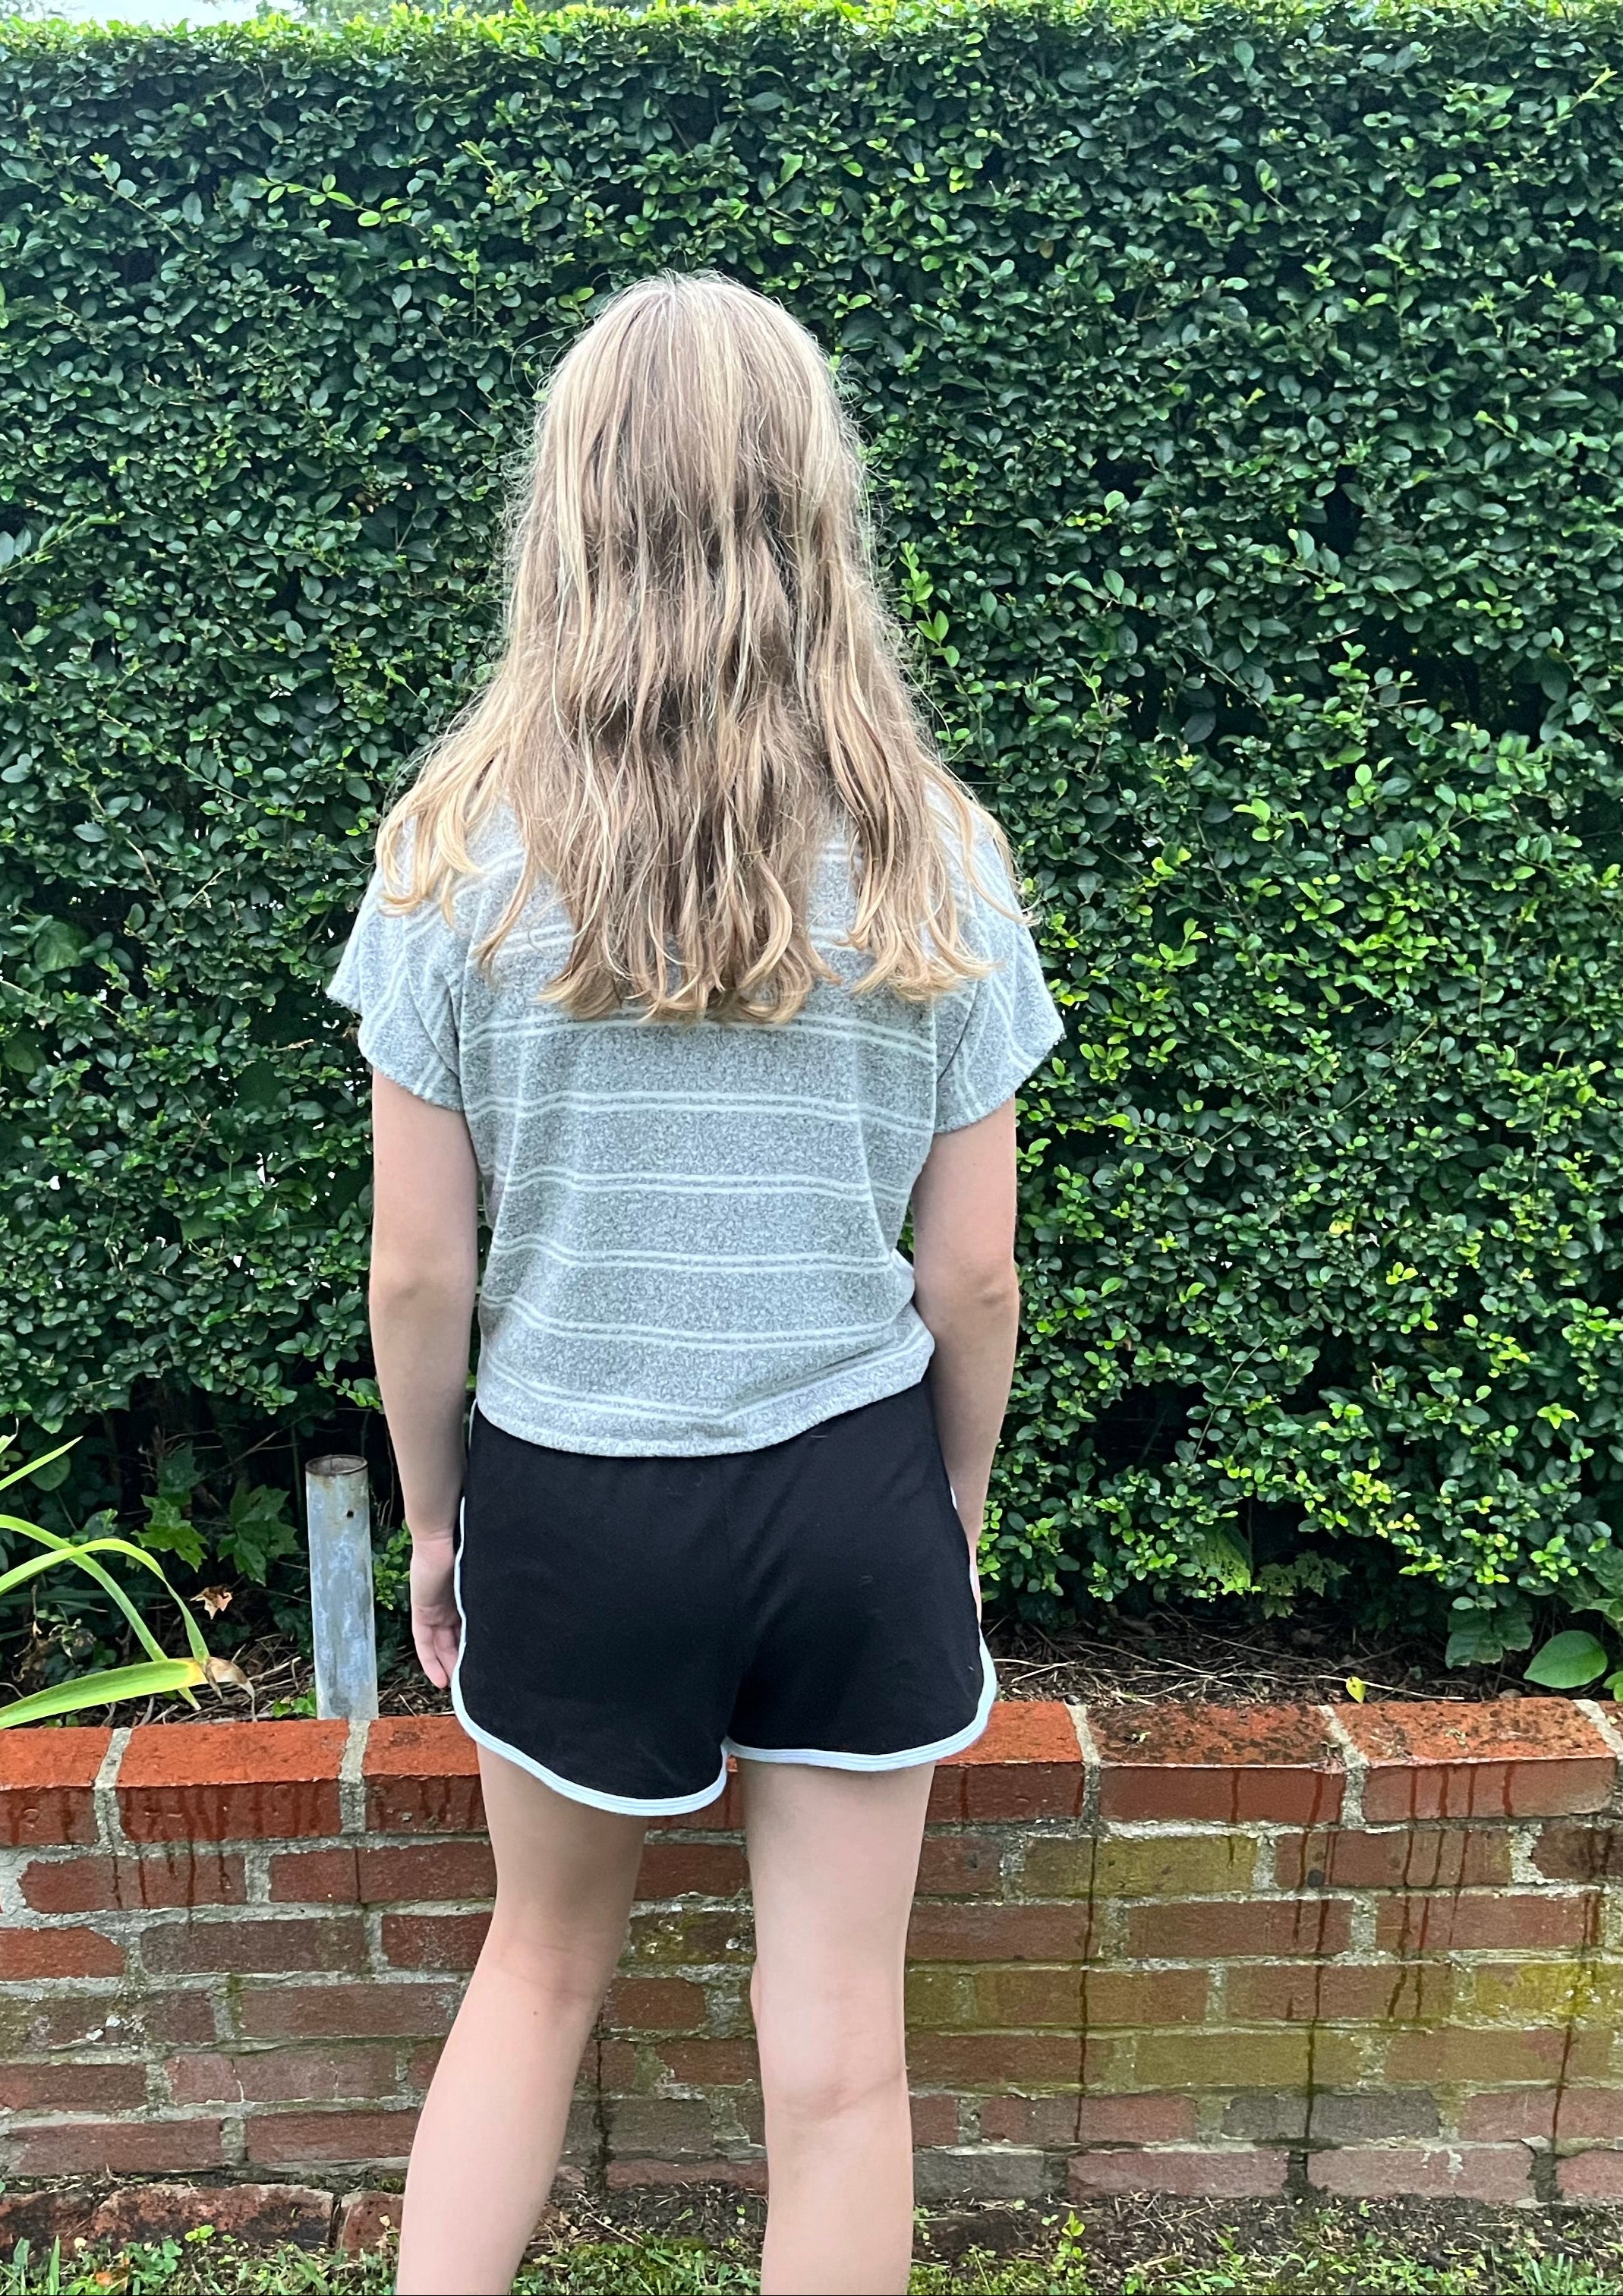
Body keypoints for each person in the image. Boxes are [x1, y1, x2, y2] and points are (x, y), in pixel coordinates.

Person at [327, 270, 1062, 2296]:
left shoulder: (453, 853)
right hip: (843, 1492)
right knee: (836, 2072)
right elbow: (975, 1275)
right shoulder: (934, 851)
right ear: (814, 507)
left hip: (568, 1489)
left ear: (569, 515)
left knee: (538, 1969)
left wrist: (436, 1522)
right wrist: (950, 1509)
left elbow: (414, 1272)